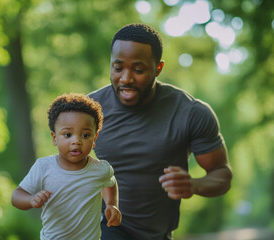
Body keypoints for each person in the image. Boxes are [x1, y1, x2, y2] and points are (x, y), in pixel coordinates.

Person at [88, 23, 233, 240]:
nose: (126, 78)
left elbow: (222, 174)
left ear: (158, 68)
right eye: (118, 68)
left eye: (138, 70)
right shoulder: (89, 110)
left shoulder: (190, 113)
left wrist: (194, 184)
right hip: (106, 228)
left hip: (159, 234)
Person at [11, 93, 122, 240]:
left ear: (94, 139)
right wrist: (31, 199)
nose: (76, 141)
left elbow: (110, 181)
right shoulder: (44, 167)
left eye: (85, 135)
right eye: (68, 134)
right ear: (54, 138)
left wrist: (111, 204)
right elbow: (16, 196)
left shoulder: (100, 169)